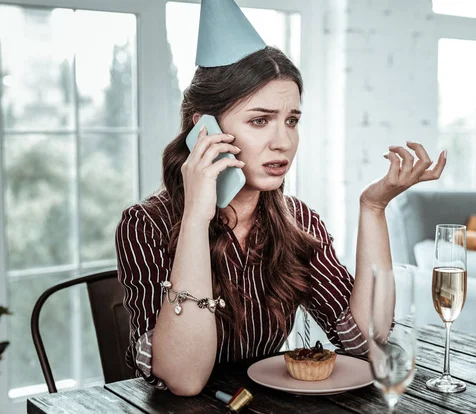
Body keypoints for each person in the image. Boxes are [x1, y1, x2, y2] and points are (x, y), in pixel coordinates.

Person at [115, 0, 446, 397]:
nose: (284, 141)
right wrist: (196, 220)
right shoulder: (144, 225)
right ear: (203, 127)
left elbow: (367, 344)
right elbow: (183, 380)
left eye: (291, 120)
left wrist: (373, 208)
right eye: (260, 120)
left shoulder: (299, 222)